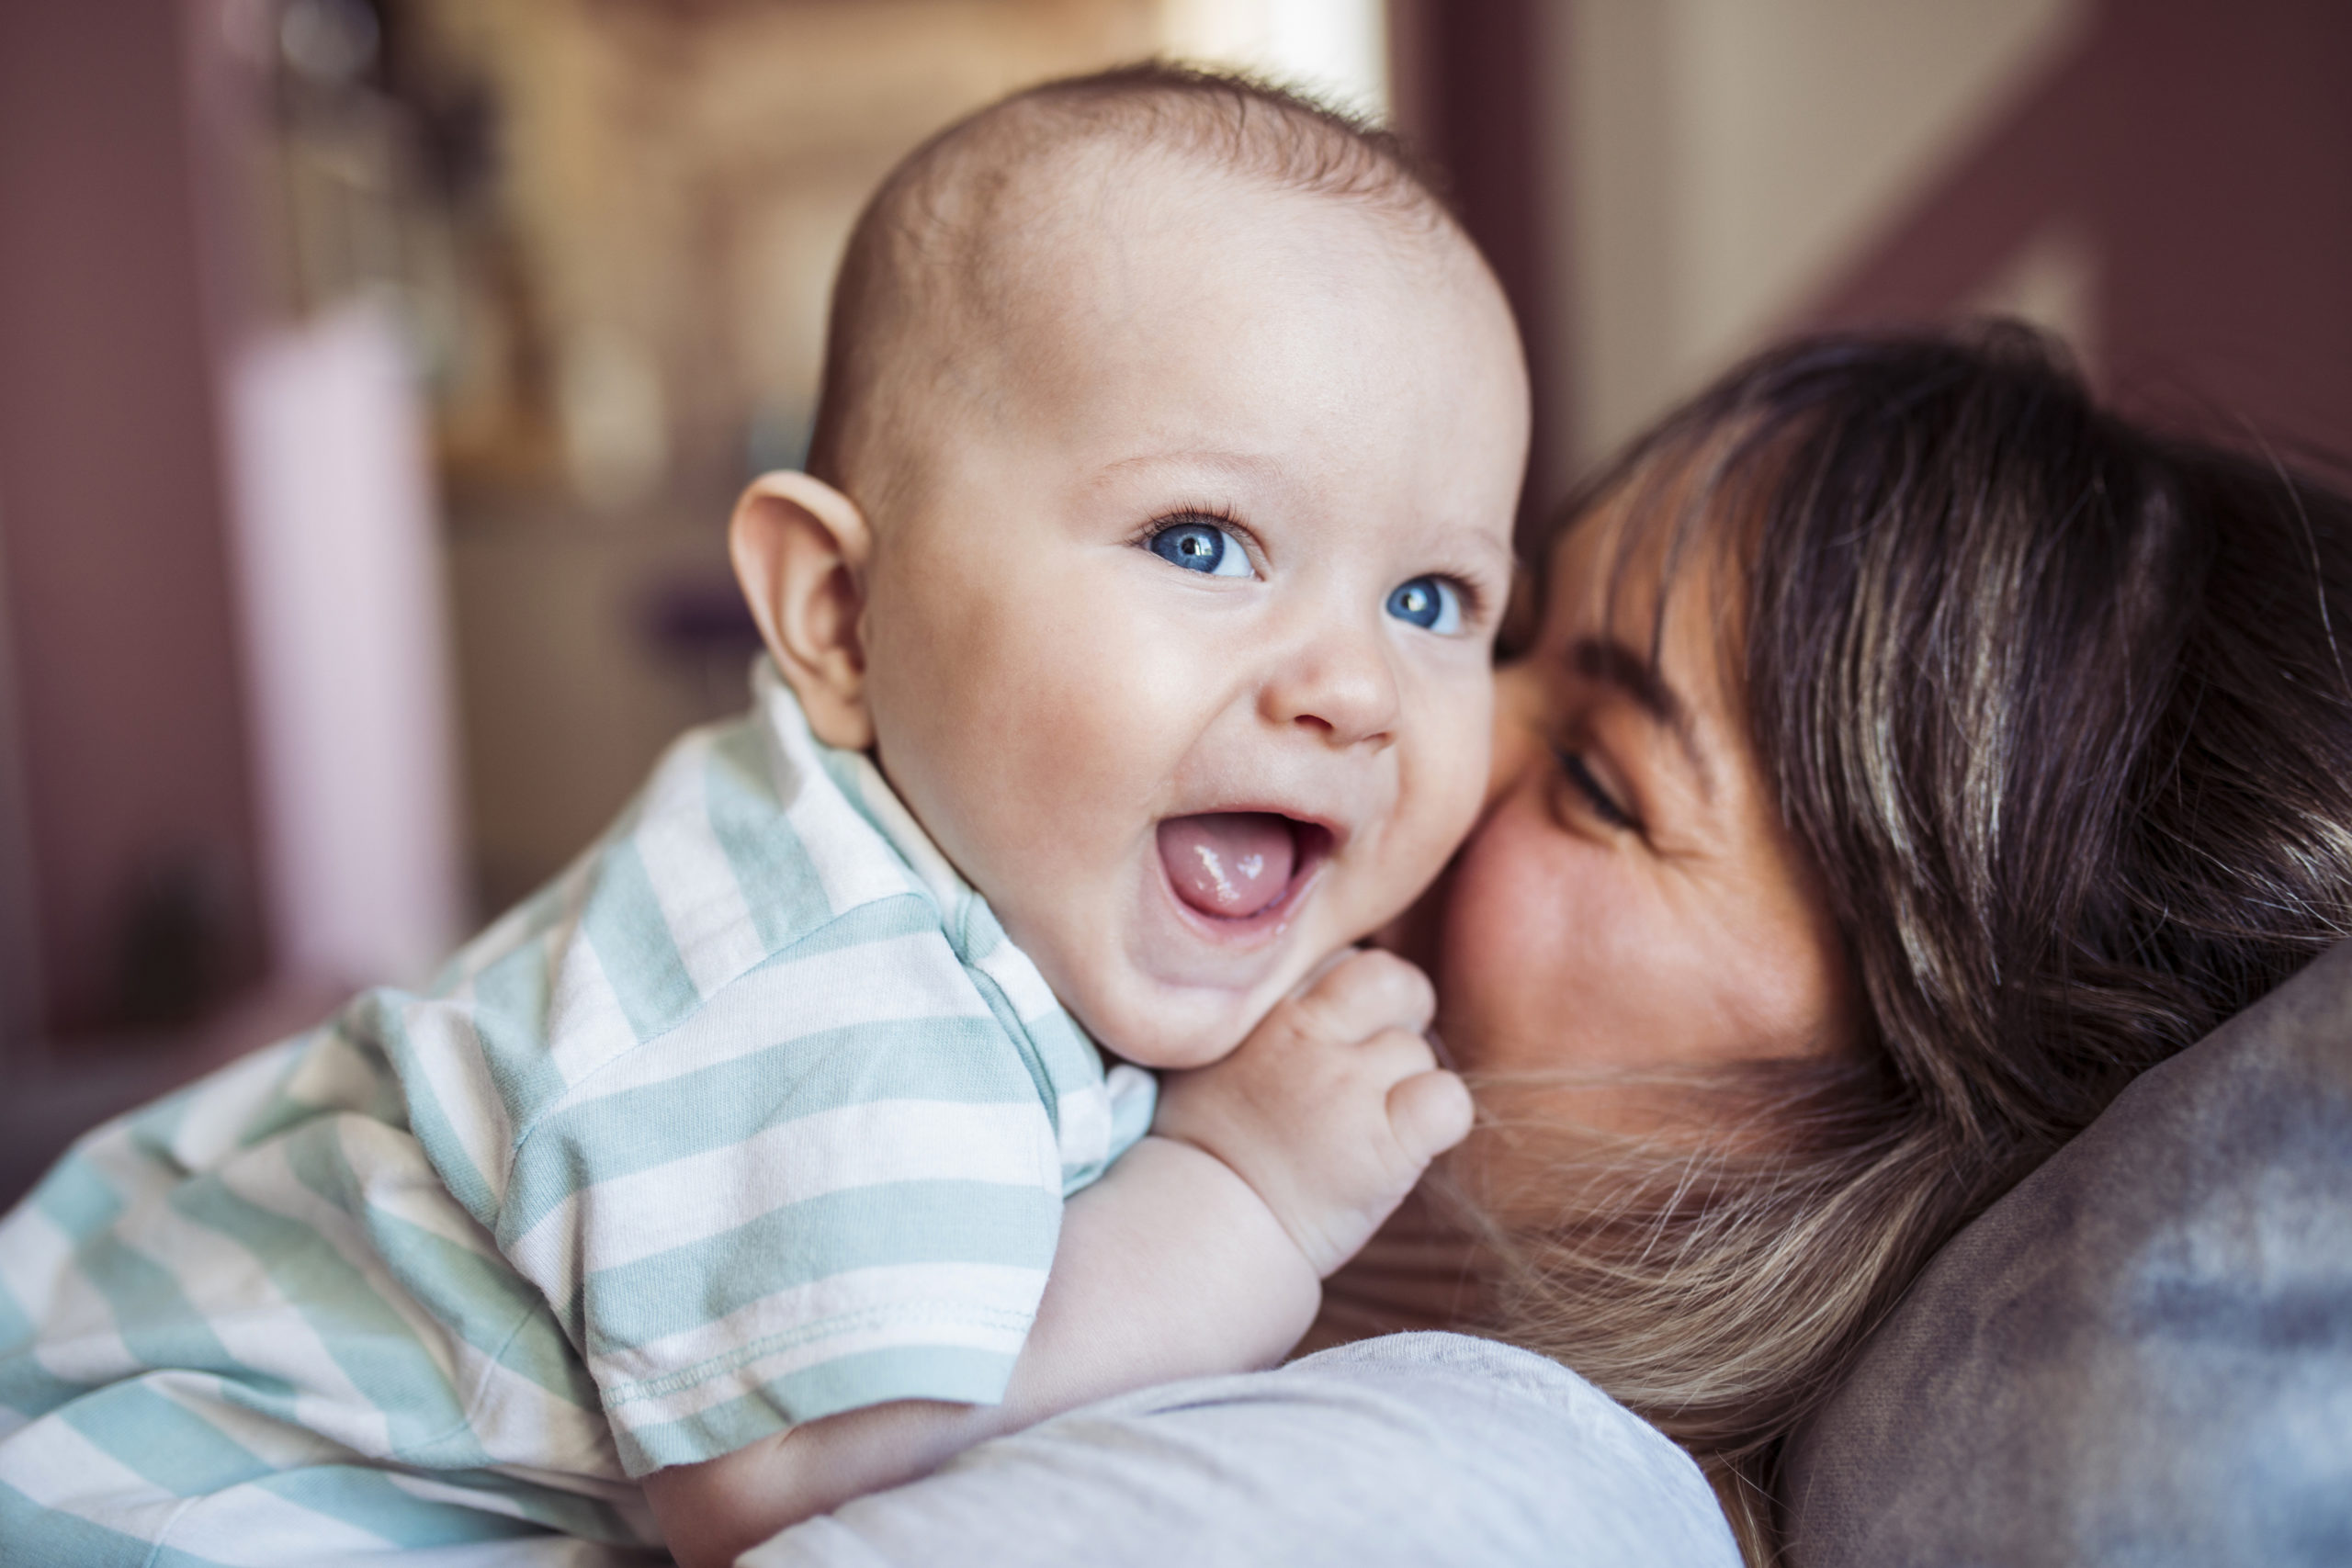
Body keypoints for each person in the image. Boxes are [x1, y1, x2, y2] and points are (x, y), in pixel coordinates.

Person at [0, 66, 1527, 1567]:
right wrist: (1240, 1194)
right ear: (841, 612)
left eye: (1429, 596)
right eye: (1202, 541)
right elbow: (814, 1482)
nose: (1356, 686)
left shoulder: (998, 874)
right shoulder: (821, 967)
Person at [726, 321, 2352, 1567]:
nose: (1417, 750)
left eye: (1595, 777)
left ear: (1926, 1107)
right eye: (1485, 628)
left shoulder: (1468, 1503)